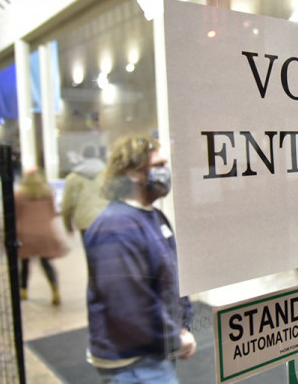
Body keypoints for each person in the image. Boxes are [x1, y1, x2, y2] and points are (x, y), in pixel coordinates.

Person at [84, 135, 196, 383]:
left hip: (156, 350)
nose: (165, 172)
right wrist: (175, 338)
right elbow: (128, 306)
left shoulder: (155, 217)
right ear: (132, 173)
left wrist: (183, 324)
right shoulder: (115, 227)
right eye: (157, 166)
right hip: (132, 362)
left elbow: (172, 278)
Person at [15, 169, 68, 305]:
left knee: (25, 264)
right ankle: (55, 290)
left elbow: (15, 215)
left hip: (25, 234)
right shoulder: (47, 193)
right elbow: (52, 213)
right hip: (45, 233)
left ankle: (23, 290)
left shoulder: (19, 195)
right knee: (46, 263)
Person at [61, 145, 109, 240]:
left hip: (85, 221)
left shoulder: (73, 178)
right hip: (106, 220)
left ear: (82, 156)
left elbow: (67, 204)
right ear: (97, 155)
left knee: (91, 252)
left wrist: (68, 224)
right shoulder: (108, 175)